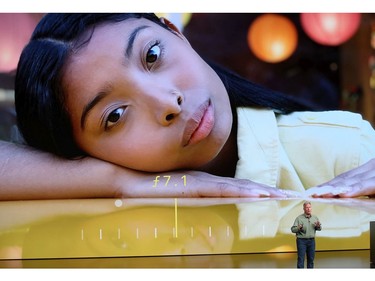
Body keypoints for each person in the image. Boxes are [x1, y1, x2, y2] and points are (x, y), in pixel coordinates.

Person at [6, 13, 375, 200]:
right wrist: (122, 184)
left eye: (152, 54)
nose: (168, 103)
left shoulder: (342, 151)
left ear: (175, 31)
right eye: (115, 116)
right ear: (81, 155)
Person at [291, 201, 322, 268]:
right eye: (307, 207)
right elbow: (293, 229)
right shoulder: (299, 218)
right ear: (304, 209)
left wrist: (318, 226)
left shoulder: (315, 218)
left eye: (310, 207)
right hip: (301, 241)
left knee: (311, 259)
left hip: (311, 241)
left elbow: (319, 229)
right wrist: (298, 228)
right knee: (301, 259)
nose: (308, 209)